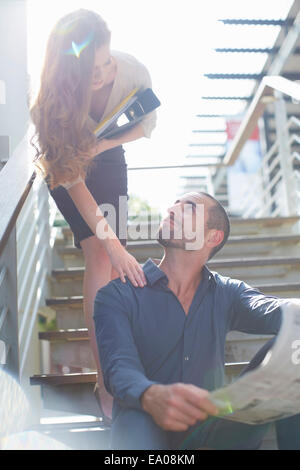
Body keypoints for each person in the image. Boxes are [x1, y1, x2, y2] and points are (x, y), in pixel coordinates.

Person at [93, 191, 300, 449]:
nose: (172, 209)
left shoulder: (228, 292)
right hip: (141, 423)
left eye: (189, 207)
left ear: (213, 236)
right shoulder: (116, 295)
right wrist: (151, 395)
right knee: (134, 418)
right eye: (173, 203)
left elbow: (269, 309)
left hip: (213, 429)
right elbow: (118, 368)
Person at [30, 9, 157, 418]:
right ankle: (105, 381)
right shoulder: (51, 105)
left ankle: (125, 364)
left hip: (108, 155)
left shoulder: (131, 70)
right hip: (67, 173)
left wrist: (101, 147)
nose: (102, 73)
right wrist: (114, 245)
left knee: (112, 252)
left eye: (106, 62)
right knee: (99, 254)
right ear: (70, 67)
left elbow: (145, 124)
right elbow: (72, 179)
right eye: (92, 67)